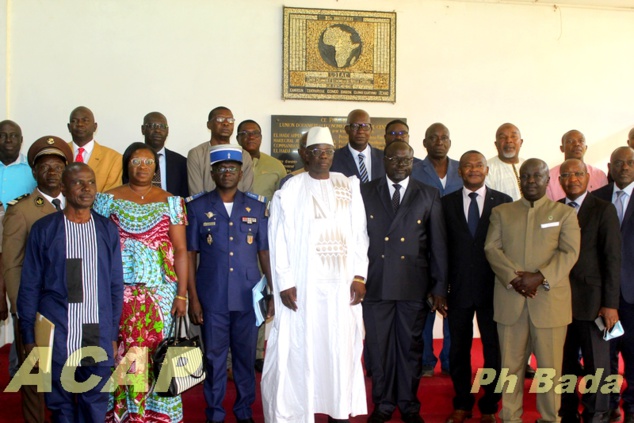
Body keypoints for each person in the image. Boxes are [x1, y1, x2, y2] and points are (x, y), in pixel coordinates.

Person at [262, 126, 369, 422]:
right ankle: (301, 411)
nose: (323, 157)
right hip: (304, 285)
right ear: (305, 155)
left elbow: (360, 234)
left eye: (328, 151)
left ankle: (338, 408)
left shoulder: (348, 185)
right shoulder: (291, 189)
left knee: (339, 346)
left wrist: (360, 276)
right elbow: (278, 239)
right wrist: (284, 283)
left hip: (342, 286)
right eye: (317, 151)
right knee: (303, 348)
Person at [18, 162, 124, 421]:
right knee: (60, 405)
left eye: (91, 182)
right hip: (59, 330)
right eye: (78, 183)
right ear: (64, 188)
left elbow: (114, 285)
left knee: (95, 402)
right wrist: (29, 336)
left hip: (95, 331)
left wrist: (112, 333)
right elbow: (30, 285)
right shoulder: (45, 229)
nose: (86, 188)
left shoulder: (106, 229)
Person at [93, 142, 188, 422]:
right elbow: (98, 248)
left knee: (159, 351)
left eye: (148, 162)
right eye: (136, 161)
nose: (142, 167)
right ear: (127, 166)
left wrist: (182, 294)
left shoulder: (172, 201)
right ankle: (127, 413)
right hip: (119, 291)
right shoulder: (106, 199)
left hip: (161, 293)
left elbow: (181, 250)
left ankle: (159, 414)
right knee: (124, 350)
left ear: (156, 168)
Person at [484, 158, 581, 422]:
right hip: (510, 300)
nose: (531, 181)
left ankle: (550, 418)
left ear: (548, 180)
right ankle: (510, 417)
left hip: (549, 302)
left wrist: (540, 277)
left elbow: (570, 252)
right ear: (520, 180)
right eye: (526, 176)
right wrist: (516, 279)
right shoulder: (502, 212)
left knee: (550, 370)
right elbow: (492, 249)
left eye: (537, 176)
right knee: (510, 368)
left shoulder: (565, 214)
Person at [361, 140, 448, 423]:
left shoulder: (429, 194)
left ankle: (409, 404)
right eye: (394, 159)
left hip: (413, 284)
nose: (400, 165)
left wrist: (438, 287)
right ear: (384, 160)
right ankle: (383, 404)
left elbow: (438, 245)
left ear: (413, 161)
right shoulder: (365, 191)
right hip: (376, 283)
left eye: (406, 160)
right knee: (379, 348)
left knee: (410, 349)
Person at [186, 144, 272, 423]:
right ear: (212, 172)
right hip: (212, 297)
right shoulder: (198, 207)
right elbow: (190, 255)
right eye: (221, 168)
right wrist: (193, 299)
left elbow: (264, 252)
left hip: (248, 297)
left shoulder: (257, 206)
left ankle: (244, 411)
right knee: (213, 359)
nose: (227, 172)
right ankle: (214, 413)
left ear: (240, 172)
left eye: (232, 168)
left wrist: (271, 291)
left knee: (246, 359)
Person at [3, 135, 73, 422]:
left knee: (71, 372)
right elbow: (11, 264)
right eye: (45, 166)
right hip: (37, 307)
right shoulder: (21, 210)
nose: (52, 171)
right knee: (34, 375)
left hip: (74, 306)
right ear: (34, 172)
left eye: (57, 165)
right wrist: (23, 310)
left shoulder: (79, 202)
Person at [442, 151, 512, 423]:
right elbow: (439, 248)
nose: (473, 169)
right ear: (459, 171)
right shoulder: (445, 204)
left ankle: (490, 405)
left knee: (494, 350)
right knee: (458, 349)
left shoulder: (504, 203)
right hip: (457, 290)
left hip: (494, 290)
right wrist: (439, 288)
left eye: (478, 165)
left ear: (487, 170)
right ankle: (462, 402)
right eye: (467, 166)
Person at [557, 158, 621, 423]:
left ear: (587, 178)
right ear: (558, 180)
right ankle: (567, 412)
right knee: (564, 365)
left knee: (598, 367)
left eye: (578, 174)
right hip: (559, 303)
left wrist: (610, 303)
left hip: (594, 303)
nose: (572, 179)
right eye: (566, 174)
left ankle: (597, 414)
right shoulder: (554, 209)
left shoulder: (603, 209)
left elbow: (612, 259)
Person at [411, 122, 462, 377]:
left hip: (457, 249)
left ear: (450, 142)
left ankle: (452, 361)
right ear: (425, 143)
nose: (439, 141)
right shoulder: (413, 170)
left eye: (444, 137)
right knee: (424, 309)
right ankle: (426, 361)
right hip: (423, 250)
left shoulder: (462, 170)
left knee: (454, 307)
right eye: (433, 137)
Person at [593, 146, 634, 423]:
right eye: (618, 163)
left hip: (633, 293)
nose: (624, 167)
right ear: (610, 166)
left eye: (630, 162)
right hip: (600, 293)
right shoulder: (596, 199)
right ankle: (609, 404)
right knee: (603, 356)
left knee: (633, 354)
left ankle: (631, 406)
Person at [187, 106, 254, 195]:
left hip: (239, 208)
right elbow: (196, 196)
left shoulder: (243, 155)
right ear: (209, 125)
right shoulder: (196, 154)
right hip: (206, 208)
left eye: (230, 120)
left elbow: (248, 193)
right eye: (220, 119)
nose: (226, 123)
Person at [67, 106, 122, 192]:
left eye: (85, 120)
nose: (80, 124)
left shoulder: (114, 158)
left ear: (95, 127)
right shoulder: (59, 153)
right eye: (75, 121)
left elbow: (110, 195)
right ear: (69, 127)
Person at [546, 130, 608, 201]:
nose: (577, 144)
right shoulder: (550, 176)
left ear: (586, 147)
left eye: (581, 141)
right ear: (561, 148)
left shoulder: (599, 175)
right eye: (570, 141)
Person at [237, 119, 287, 203]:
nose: (251, 137)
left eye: (255, 133)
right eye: (245, 133)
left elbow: (283, 198)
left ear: (260, 138)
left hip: (265, 215)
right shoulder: (229, 163)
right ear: (238, 138)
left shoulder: (276, 165)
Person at [142, 111, 189, 198]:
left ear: (167, 131)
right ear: (143, 129)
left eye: (162, 127)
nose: (157, 130)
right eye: (152, 126)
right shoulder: (132, 161)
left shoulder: (181, 162)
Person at [331, 109, 385, 182]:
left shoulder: (384, 157)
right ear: (347, 130)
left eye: (365, 126)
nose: (360, 131)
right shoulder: (334, 158)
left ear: (371, 129)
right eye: (355, 126)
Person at [0, 120, 36, 205]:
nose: (8, 140)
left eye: (13, 136)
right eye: (2, 136)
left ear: (21, 140)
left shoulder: (33, 167)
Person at [485, 123, 525, 201]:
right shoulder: (487, 169)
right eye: (503, 137)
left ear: (521, 142)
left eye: (513, 136)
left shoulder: (527, 165)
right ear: (496, 144)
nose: (509, 140)